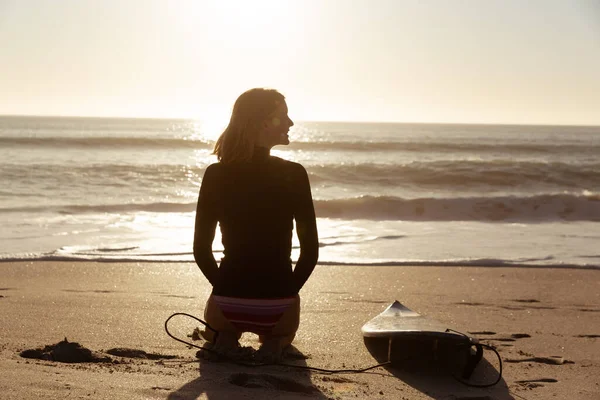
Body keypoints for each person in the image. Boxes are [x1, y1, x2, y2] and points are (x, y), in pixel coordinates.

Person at [193, 88, 319, 360]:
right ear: (264, 122)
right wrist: (287, 292)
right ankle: (274, 344)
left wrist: (224, 288)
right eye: (283, 116)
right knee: (280, 334)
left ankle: (225, 336)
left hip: (227, 302)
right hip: (279, 304)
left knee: (220, 328)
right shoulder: (294, 173)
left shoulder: (216, 174)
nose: (290, 123)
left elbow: (201, 250)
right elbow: (310, 252)